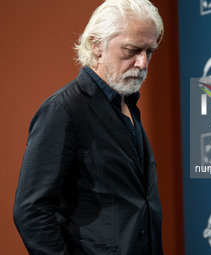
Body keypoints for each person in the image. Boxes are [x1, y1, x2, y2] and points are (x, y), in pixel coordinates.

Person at [13, 0, 164, 254]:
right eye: (131, 50)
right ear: (97, 46)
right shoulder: (63, 110)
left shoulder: (127, 106)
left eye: (149, 52)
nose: (143, 63)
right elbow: (31, 211)